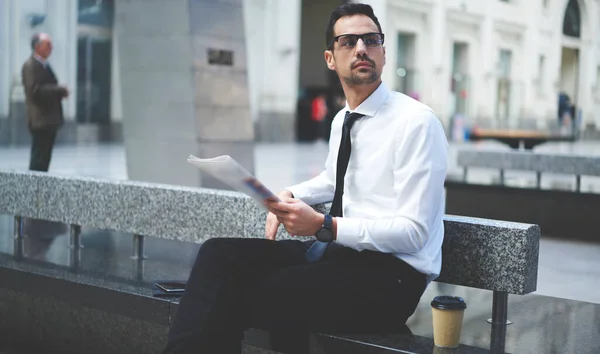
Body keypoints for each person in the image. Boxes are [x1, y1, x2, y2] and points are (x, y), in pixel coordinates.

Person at [162, 3, 448, 354]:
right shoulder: (343, 119)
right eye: (348, 41)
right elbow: (334, 179)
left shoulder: (416, 123)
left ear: (384, 54)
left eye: (371, 40)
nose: (361, 48)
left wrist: (324, 226)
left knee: (259, 292)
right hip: (339, 257)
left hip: (393, 278)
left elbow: (415, 232)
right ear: (331, 58)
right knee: (218, 255)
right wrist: (288, 194)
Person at [21, 33, 69, 172]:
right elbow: (35, 90)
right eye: (47, 44)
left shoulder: (44, 65)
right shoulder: (31, 65)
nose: (51, 48)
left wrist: (59, 92)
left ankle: (41, 187)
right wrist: (58, 90)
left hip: (48, 120)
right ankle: (34, 187)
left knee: (45, 157)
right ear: (37, 47)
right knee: (39, 158)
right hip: (40, 120)